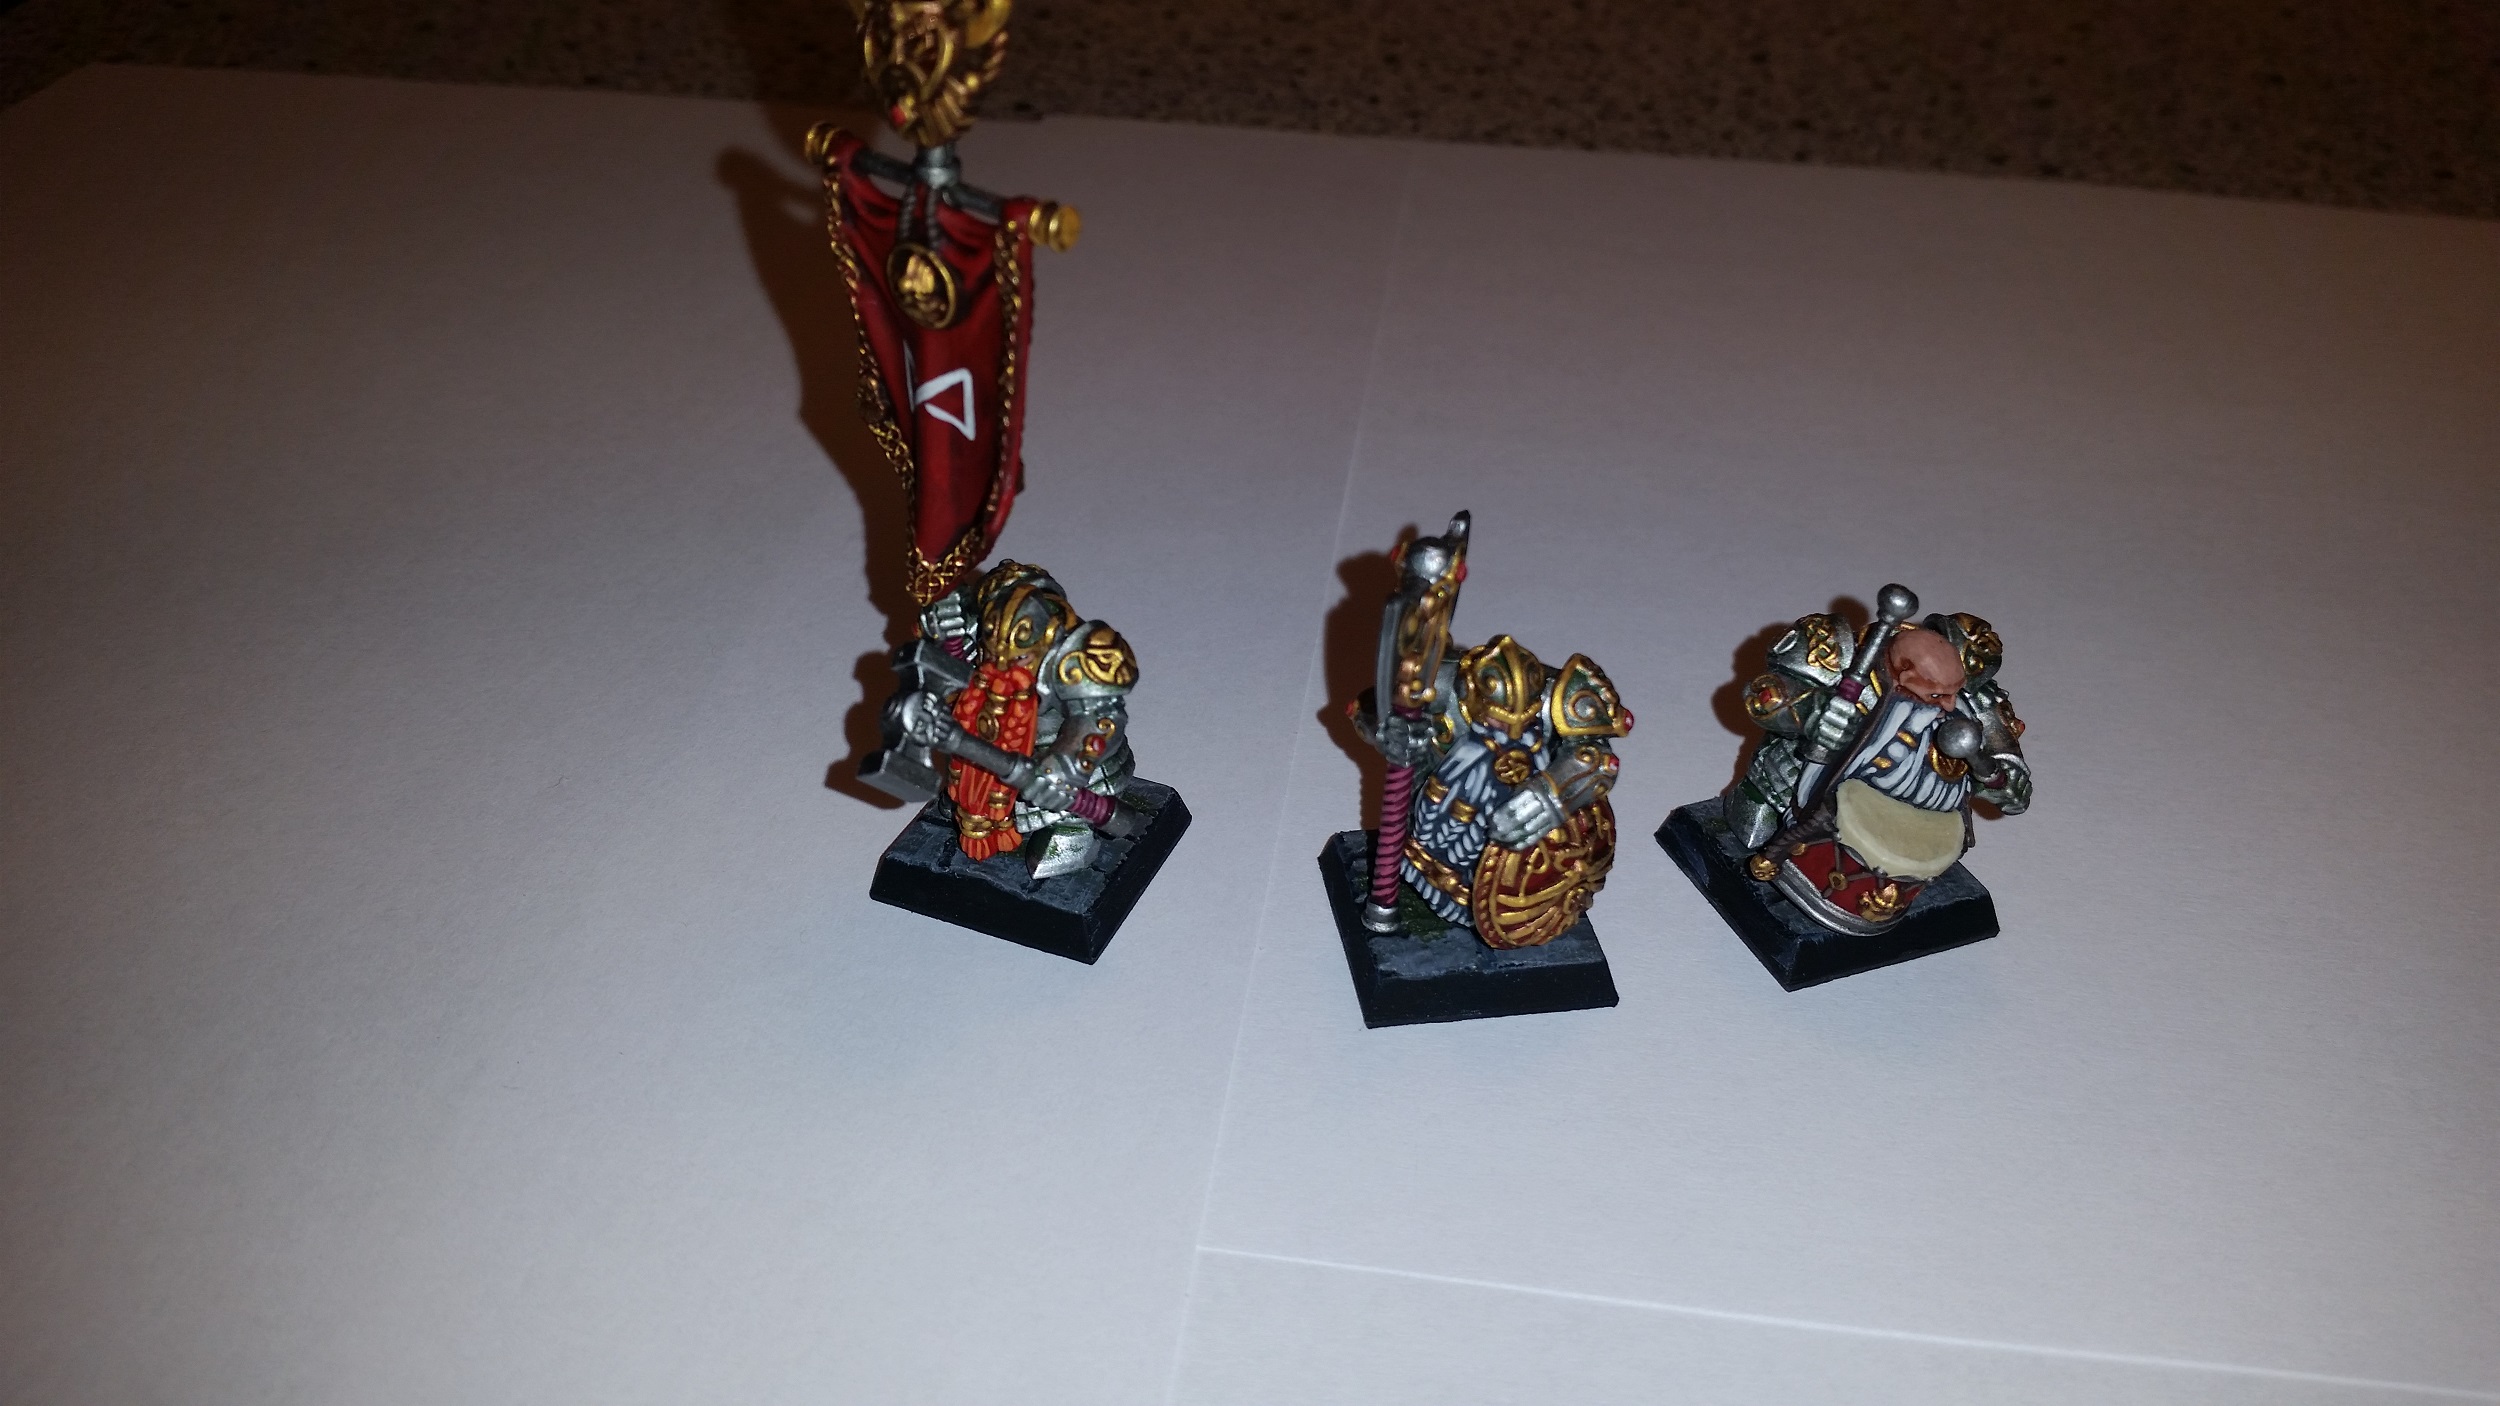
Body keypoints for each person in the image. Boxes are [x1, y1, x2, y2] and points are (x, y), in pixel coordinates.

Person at [1728, 611, 2030, 934]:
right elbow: (1765, 697)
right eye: (1937, 695)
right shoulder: (1836, 653)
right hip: (1802, 786)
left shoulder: (1968, 690)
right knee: (1755, 830)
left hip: (1918, 807)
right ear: (1905, 674)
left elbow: (2012, 783)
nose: (1948, 705)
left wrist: (2000, 779)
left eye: (1953, 692)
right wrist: (1816, 715)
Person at [1362, 635, 1631, 948]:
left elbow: (1599, 760)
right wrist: (1392, 734)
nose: (1512, 731)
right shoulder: (1441, 684)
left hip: (1524, 855)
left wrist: (1545, 800)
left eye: (1524, 720)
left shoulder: (1555, 697)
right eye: (1499, 721)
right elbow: (1368, 713)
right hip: (1434, 821)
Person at [904, 561, 1139, 877]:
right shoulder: (984, 626)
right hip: (988, 737)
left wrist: (1064, 767)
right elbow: (954, 669)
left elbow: (1100, 718)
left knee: (1067, 788)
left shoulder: (1081, 653)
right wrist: (946, 631)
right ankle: (973, 804)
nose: (1001, 664)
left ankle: (1073, 830)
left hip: (1052, 748)